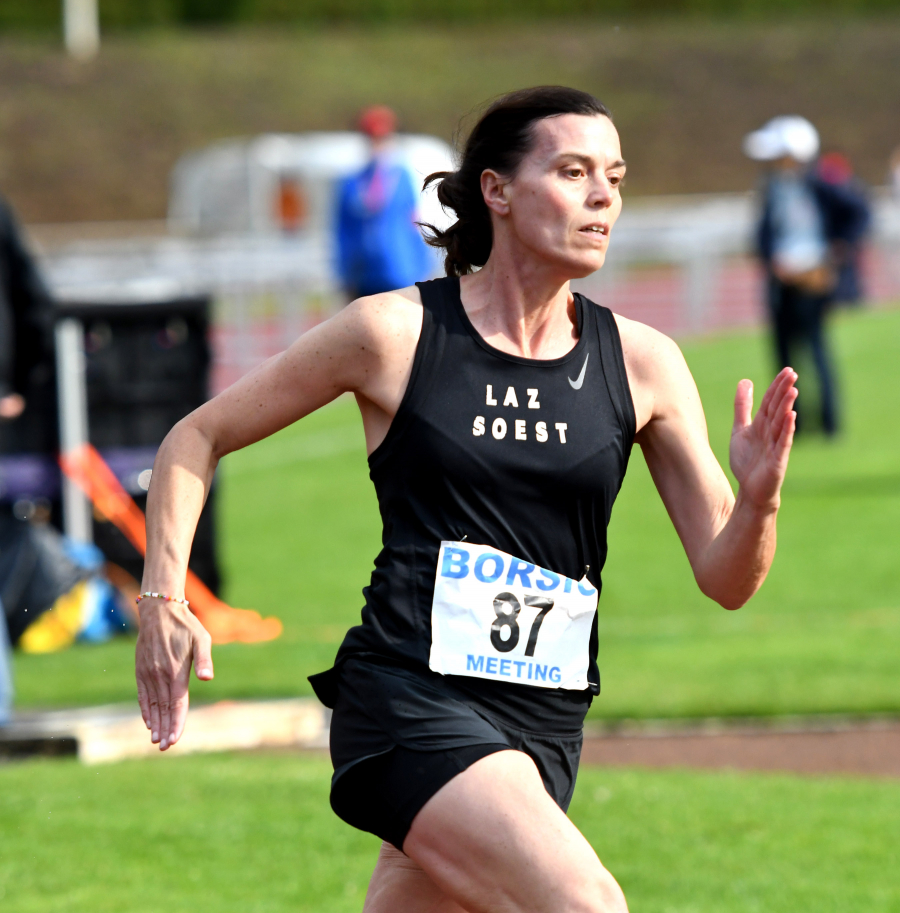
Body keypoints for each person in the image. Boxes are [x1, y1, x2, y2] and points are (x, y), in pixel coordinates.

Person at [136, 87, 797, 912]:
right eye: (573, 171)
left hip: (545, 723)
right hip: (408, 697)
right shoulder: (393, 333)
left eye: (615, 178)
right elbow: (193, 439)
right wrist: (163, 595)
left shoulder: (645, 363)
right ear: (498, 191)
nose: (603, 197)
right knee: (587, 904)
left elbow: (727, 578)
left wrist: (760, 499)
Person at [744, 116, 869, 436]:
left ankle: (829, 423)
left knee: (816, 349)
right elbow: (766, 233)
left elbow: (858, 213)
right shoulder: (773, 186)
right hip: (782, 281)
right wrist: (770, 259)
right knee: (784, 355)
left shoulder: (820, 183)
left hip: (812, 282)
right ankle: (792, 424)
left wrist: (835, 256)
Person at [335, 105, 433, 299]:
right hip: (364, 275)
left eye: (382, 138)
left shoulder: (402, 177)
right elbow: (342, 231)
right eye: (372, 139)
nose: (377, 145)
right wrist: (344, 273)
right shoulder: (352, 183)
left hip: (401, 271)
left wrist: (423, 265)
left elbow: (414, 222)